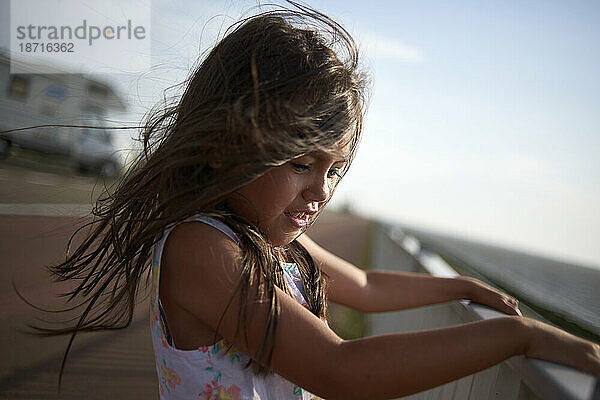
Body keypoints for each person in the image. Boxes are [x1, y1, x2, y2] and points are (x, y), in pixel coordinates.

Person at [38, 2, 599, 399]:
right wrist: (516, 335)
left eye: (335, 170)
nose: (321, 191)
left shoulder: (266, 243)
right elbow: (339, 369)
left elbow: (366, 287)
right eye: (301, 163)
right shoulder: (201, 248)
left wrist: (459, 286)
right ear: (222, 146)